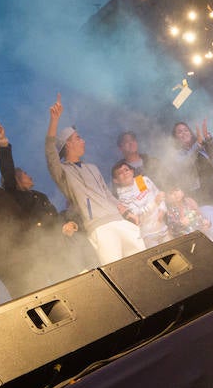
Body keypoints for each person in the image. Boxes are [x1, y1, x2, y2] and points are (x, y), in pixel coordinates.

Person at [0, 101, 57, 296]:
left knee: (46, 291)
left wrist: (2, 141)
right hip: (8, 254)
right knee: (30, 296)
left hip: (26, 246)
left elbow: (7, 172)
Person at [46, 94, 146, 263]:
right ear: (68, 145)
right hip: (99, 227)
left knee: (145, 260)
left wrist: (127, 213)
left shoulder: (92, 167)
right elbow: (50, 152)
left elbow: (108, 195)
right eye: (78, 138)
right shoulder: (62, 172)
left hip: (119, 220)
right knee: (117, 270)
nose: (83, 141)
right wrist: (54, 120)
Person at [0, 121, 91, 280]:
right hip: (45, 249)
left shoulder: (40, 195)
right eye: (25, 173)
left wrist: (67, 223)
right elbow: (7, 170)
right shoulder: (14, 196)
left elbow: (55, 216)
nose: (30, 175)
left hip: (62, 242)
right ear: (16, 179)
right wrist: (3, 142)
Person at [164, 119, 213, 264]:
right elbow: (185, 163)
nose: (183, 133)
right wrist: (198, 144)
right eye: (179, 132)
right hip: (202, 197)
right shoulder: (177, 155)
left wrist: (209, 139)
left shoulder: (199, 146)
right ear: (175, 138)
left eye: (186, 130)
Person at [111, 160, 170, 246]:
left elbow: (157, 194)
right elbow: (138, 215)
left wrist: (162, 209)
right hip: (148, 236)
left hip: (163, 228)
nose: (125, 173)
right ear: (116, 180)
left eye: (126, 170)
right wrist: (155, 203)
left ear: (132, 171)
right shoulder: (123, 197)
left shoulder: (140, 181)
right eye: (120, 173)